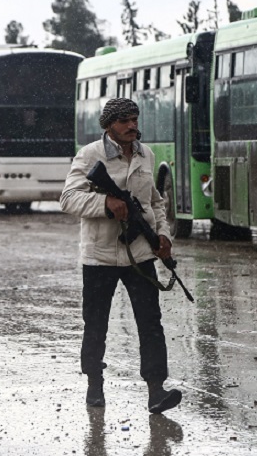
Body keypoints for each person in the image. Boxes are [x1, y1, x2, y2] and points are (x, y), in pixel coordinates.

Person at [60, 97, 181, 414]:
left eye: (134, 119)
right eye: (124, 120)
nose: (131, 126)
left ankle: (156, 390)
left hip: (140, 255)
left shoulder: (146, 155)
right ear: (109, 125)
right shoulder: (90, 155)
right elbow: (69, 198)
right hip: (99, 257)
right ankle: (94, 384)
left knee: (150, 324)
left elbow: (154, 202)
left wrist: (164, 235)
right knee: (96, 324)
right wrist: (105, 206)